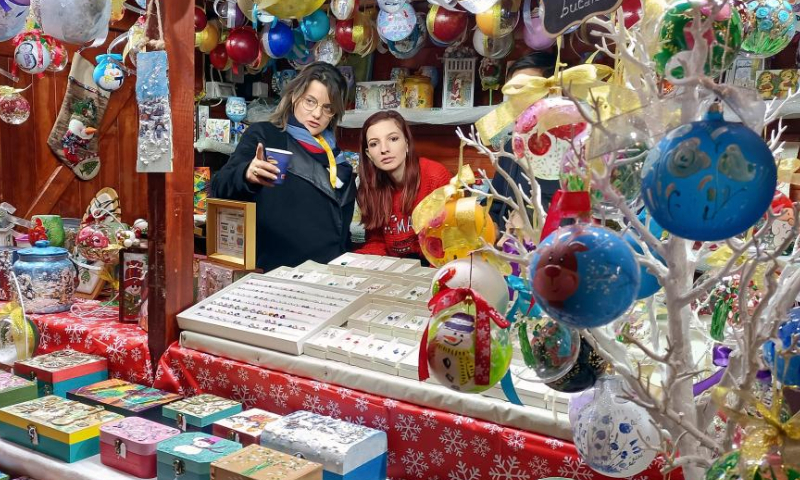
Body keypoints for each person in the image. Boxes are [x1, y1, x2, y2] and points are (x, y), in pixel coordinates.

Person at [211, 62, 354, 273]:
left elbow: (341, 229)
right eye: (310, 101)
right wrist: (247, 174)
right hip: (276, 272)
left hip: (326, 276)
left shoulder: (337, 158)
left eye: (328, 108)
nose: (317, 114)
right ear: (295, 96)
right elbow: (219, 186)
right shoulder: (267, 136)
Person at [355, 110, 451, 259]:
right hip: (396, 267)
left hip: (435, 265)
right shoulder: (370, 187)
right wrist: (352, 262)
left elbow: (450, 243)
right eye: (374, 144)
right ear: (369, 154)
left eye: (393, 139)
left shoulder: (435, 177)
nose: (384, 149)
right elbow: (377, 242)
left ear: (406, 143)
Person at [490, 52, 559, 233]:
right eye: (514, 95)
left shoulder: (572, 150)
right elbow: (495, 206)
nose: (519, 103)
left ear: (554, 93)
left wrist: (525, 221)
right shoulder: (510, 147)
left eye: (528, 93)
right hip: (508, 246)